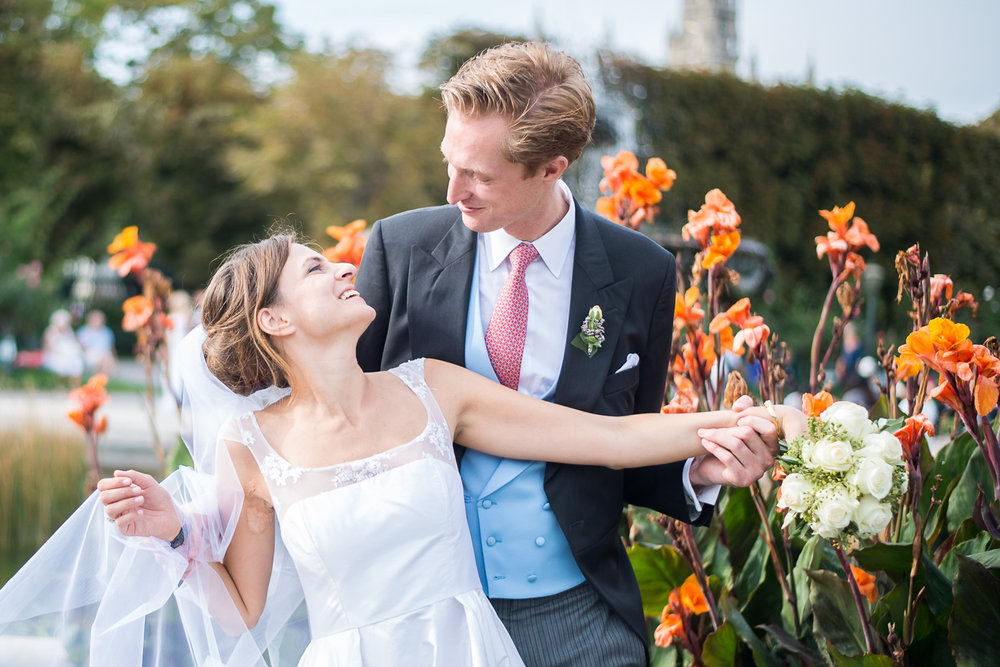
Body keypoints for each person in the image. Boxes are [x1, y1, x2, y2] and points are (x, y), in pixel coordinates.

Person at [87, 234, 800, 666]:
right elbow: (241, 608)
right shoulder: (248, 448)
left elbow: (609, 438)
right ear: (274, 318)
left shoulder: (432, 389)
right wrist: (176, 534)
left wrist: (756, 416)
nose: (344, 268)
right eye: (314, 270)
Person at [354, 41, 777, 665]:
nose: (453, 190)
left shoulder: (642, 272)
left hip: (576, 617)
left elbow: (625, 434)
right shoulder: (400, 246)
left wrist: (698, 469)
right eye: (449, 161)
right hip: (421, 612)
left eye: (479, 175)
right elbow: (337, 413)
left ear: (553, 167)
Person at [41, 308, 84, 384]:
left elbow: (76, 344)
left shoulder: (69, 331)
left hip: (70, 356)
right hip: (55, 356)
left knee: (77, 363)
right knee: (62, 364)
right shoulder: (51, 331)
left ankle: (74, 386)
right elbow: (49, 347)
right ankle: (60, 386)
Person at [76, 309, 116, 375]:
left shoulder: (107, 331)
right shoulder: (83, 331)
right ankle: (100, 377)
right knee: (104, 359)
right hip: (89, 352)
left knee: (106, 358)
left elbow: (111, 347)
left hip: (105, 354)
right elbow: (80, 345)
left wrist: (114, 358)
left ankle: (99, 378)